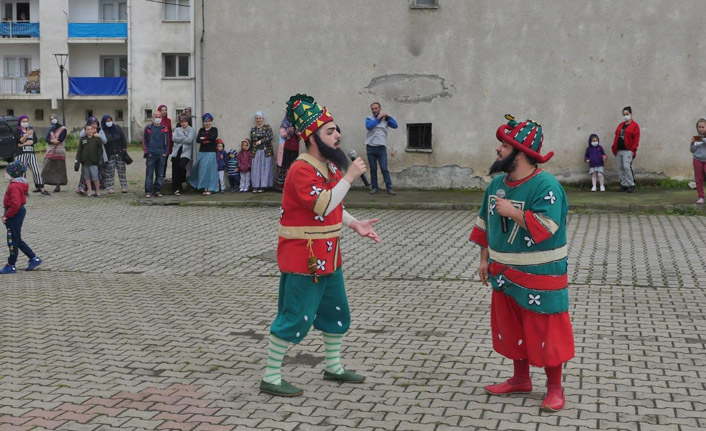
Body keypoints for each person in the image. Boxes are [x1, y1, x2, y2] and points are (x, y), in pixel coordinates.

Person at [260, 94, 381, 397]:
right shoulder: (301, 169)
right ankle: (271, 376)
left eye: (336, 129)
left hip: (330, 256)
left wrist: (354, 224)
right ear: (312, 138)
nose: (337, 135)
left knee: (335, 311)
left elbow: (335, 205)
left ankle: (333, 367)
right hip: (304, 259)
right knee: (294, 316)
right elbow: (323, 205)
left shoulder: (329, 167)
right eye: (330, 131)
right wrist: (351, 177)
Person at [469, 115, 574, 412]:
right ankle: (520, 379)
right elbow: (484, 224)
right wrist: (484, 259)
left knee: (546, 331)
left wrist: (512, 212)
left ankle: (555, 388)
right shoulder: (496, 184)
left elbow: (547, 225)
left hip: (541, 275)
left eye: (504, 145)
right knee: (512, 327)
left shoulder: (546, 185)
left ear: (521, 153)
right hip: (503, 272)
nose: (498, 151)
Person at [1, 161, 43, 274]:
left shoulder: (14, 186)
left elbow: (15, 204)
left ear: (12, 173)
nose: (5, 174)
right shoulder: (19, 184)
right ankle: (34, 258)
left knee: (12, 240)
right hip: (18, 212)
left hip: (14, 213)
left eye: (7, 172)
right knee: (17, 239)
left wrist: (7, 216)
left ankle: (11, 264)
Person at [365, 102, 398, 195]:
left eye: (376, 108)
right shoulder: (369, 118)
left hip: (381, 148)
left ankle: (389, 188)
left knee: (384, 168)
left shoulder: (386, 120)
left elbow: (395, 125)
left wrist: (388, 117)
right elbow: (369, 126)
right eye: (373, 109)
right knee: (373, 169)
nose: (374, 110)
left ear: (380, 109)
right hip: (370, 148)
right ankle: (375, 188)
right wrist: (378, 118)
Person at [12, 115, 50, 195]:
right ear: (20, 122)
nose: (25, 123)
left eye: (26, 121)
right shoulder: (16, 131)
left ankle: (41, 188)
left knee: (36, 171)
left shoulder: (31, 130)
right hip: (21, 154)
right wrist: (26, 136)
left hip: (31, 153)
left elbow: (35, 140)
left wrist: (30, 142)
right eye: (23, 121)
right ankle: (23, 190)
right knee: (22, 173)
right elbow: (20, 141)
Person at [188, 113, 220, 196]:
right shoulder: (201, 130)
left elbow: (213, 137)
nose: (207, 123)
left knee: (210, 171)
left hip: (211, 152)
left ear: (211, 121)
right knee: (202, 170)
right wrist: (207, 139)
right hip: (202, 152)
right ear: (203, 122)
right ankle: (203, 187)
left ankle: (211, 188)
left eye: (209, 121)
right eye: (206, 121)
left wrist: (204, 139)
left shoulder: (214, 129)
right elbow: (198, 140)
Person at [611, 106, 640, 193]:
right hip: (619, 150)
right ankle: (624, 184)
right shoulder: (621, 125)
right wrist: (614, 147)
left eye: (627, 114)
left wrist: (633, 150)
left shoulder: (635, 126)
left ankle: (631, 184)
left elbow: (636, 139)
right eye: (624, 114)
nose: (625, 116)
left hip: (628, 150)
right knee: (620, 168)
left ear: (631, 114)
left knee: (627, 167)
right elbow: (616, 136)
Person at [77, 116, 107, 195]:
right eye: (92, 123)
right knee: (86, 175)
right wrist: (89, 130)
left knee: (96, 175)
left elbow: (105, 141)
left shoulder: (100, 131)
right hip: (86, 159)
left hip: (97, 156)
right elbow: (81, 136)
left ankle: (97, 190)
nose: (94, 125)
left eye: (95, 124)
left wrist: (98, 135)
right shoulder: (86, 130)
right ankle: (85, 189)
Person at [142, 112, 169, 198]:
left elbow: (168, 141)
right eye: (156, 117)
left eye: (159, 117)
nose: (158, 118)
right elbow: (144, 141)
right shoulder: (148, 128)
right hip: (151, 155)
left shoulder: (164, 128)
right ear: (153, 118)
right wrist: (147, 152)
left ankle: (157, 190)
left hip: (161, 154)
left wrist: (165, 153)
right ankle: (148, 191)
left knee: (160, 174)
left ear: (161, 118)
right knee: (149, 174)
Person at [101, 114, 128, 194]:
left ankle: (124, 186)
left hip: (119, 153)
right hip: (109, 154)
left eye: (110, 120)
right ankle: (110, 187)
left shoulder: (117, 128)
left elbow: (123, 138)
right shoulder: (103, 131)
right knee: (110, 172)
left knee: (121, 170)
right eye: (107, 121)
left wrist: (124, 148)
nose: (109, 122)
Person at [41, 113, 68, 192]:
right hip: (50, 151)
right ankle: (41, 184)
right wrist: (53, 141)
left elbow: (60, 139)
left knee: (59, 169)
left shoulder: (63, 129)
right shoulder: (50, 129)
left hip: (59, 152)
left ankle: (58, 185)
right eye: (51, 119)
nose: (53, 120)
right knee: (46, 167)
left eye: (54, 118)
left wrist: (53, 141)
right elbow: (46, 139)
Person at [250, 111, 274, 193]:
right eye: (257, 118)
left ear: (262, 119)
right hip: (256, 151)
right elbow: (252, 140)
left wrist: (261, 141)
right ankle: (256, 186)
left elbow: (270, 137)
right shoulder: (253, 129)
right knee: (256, 168)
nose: (258, 120)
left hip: (266, 151)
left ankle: (263, 186)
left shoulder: (267, 127)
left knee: (264, 168)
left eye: (260, 118)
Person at [274, 115, 300, 192]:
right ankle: (281, 187)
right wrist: (288, 132)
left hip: (295, 150)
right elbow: (282, 135)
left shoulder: (298, 125)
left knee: (293, 169)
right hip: (285, 150)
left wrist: (298, 133)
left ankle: (291, 187)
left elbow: (301, 136)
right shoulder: (284, 124)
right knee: (284, 168)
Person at [171, 114, 194, 196]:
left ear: (188, 122)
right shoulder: (177, 129)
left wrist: (180, 139)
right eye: (182, 122)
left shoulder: (191, 130)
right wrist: (184, 137)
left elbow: (190, 140)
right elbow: (174, 138)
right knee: (175, 170)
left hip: (185, 152)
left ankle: (182, 181)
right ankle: (176, 188)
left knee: (181, 167)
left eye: (185, 122)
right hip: (176, 152)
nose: (183, 123)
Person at [690, 118, 706, 204]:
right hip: (697, 160)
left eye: (703, 127)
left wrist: (702, 139)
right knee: (699, 179)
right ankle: (701, 197)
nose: (701, 129)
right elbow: (692, 150)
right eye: (699, 127)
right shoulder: (697, 138)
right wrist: (692, 143)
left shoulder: (700, 138)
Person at [158, 104, 174, 178]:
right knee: (160, 161)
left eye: (165, 110)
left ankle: (163, 176)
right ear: (159, 111)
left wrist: (171, 143)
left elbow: (170, 132)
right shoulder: (158, 120)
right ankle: (159, 176)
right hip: (159, 144)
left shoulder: (169, 120)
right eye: (162, 110)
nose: (164, 112)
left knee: (165, 161)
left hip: (167, 144)